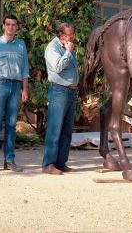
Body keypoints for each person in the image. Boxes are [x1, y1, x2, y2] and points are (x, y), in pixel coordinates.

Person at [0, 14, 29, 173]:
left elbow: (25, 70)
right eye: (8, 24)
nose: (10, 27)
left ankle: (9, 160)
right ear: (3, 26)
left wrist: (25, 90)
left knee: (11, 125)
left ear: (17, 27)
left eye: (13, 25)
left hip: (15, 87)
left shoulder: (21, 45)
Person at [42, 22, 79, 175]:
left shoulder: (65, 47)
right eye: (70, 34)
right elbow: (57, 66)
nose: (73, 37)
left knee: (66, 131)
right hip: (59, 91)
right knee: (54, 129)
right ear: (62, 36)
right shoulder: (52, 48)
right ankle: (48, 164)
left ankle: (60, 162)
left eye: (72, 34)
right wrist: (69, 52)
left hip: (70, 92)